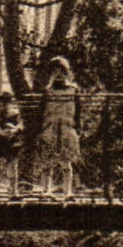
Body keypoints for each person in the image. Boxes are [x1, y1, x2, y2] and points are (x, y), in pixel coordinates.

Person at [37, 56, 80, 197]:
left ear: (66, 72)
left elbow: (78, 112)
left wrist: (77, 128)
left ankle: (67, 191)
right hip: (50, 129)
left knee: (66, 161)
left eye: (61, 71)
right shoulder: (48, 91)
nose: (58, 74)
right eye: (55, 71)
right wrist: (41, 130)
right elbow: (41, 111)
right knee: (47, 161)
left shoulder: (73, 90)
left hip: (67, 128)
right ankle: (46, 190)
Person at [0, 87, 24, 197]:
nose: (2, 107)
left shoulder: (15, 115)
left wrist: (15, 130)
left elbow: (21, 125)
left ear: (9, 104)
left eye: (5, 104)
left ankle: (13, 191)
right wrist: (3, 132)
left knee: (12, 167)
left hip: (11, 143)